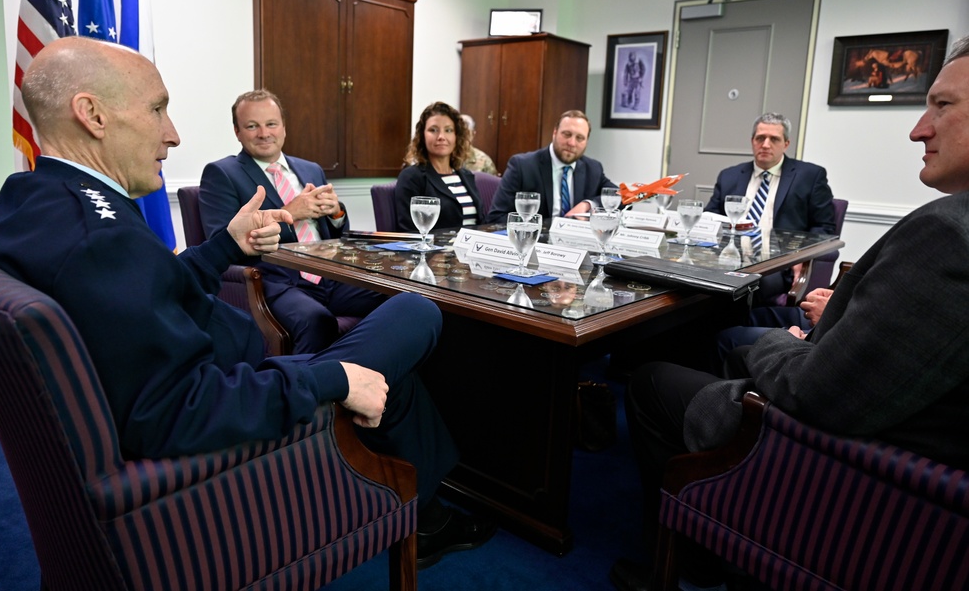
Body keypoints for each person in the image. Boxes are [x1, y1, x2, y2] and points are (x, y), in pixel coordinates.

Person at [0, 36, 494, 570]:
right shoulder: (99, 239)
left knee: (396, 375)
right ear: (93, 115)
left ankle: (418, 508)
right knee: (417, 311)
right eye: (158, 109)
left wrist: (225, 243)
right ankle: (419, 509)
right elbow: (175, 412)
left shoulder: (31, 203)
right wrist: (332, 380)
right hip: (235, 412)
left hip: (232, 377)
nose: (172, 134)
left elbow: (147, 290)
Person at [610, 34, 969, 591]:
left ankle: (689, 558)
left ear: (785, 143)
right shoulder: (731, 178)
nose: (918, 128)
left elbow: (818, 390)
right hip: (896, 440)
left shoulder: (947, 235)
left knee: (660, 376)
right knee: (719, 335)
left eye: (942, 106)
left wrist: (789, 341)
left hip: (839, 451)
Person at [199, 90, 386, 354]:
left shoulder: (311, 169)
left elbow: (337, 232)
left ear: (284, 127)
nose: (264, 133)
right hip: (273, 282)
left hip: (330, 275)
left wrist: (336, 214)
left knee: (398, 298)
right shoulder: (222, 173)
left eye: (271, 124)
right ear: (237, 132)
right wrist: (290, 212)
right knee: (317, 321)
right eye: (252, 126)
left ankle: (377, 372)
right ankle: (314, 391)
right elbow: (221, 240)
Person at [704, 112, 837, 304]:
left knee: (745, 287)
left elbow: (824, 227)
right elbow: (711, 218)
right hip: (729, 258)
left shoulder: (810, 176)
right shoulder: (729, 176)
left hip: (777, 265)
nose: (765, 144)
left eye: (774, 139)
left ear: (786, 144)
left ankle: (731, 331)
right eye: (760, 138)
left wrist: (802, 257)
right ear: (752, 141)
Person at [485, 110, 616, 223]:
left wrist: (587, 205)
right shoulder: (522, 166)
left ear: (587, 141)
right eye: (567, 134)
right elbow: (496, 217)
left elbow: (621, 195)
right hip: (535, 243)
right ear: (554, 133)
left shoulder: (592, 168)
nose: (572, 143)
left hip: (575, 245)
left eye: (580, 138)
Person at [395, 101, 485, 232]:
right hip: (435, 251)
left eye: (448, 130)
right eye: (433, 130)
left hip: (472, 249)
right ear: (422, 136)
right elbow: (408, 230)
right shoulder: (412, 177)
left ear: (456, 136)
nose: (441, 137)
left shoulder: (466, 175)